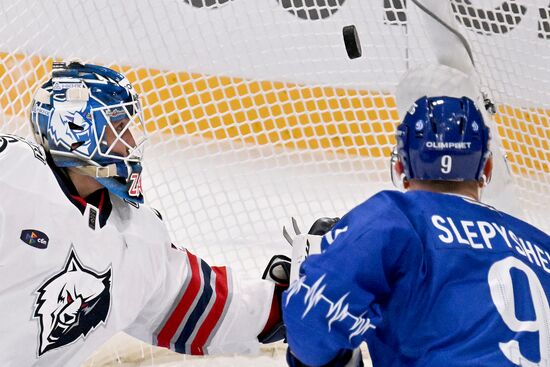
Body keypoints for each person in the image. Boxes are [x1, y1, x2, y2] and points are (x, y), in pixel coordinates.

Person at [0, 61, 286, 366]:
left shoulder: (136, 237)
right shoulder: (11, 173)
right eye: (119, 128)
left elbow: (202, 307)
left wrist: (292, 300)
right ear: (77, 128)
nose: (132, 143)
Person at [282, 88, 550, 365]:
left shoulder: (395, 218)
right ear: (488, 168)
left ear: (400, 168)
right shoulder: (542, 245)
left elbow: (311, 322)